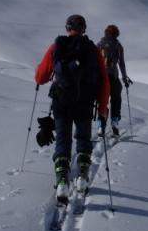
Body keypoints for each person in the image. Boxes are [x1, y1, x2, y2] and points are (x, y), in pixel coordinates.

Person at [34, 14, 110, 202]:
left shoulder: (57, 46)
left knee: (63, 140)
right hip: (85, 101)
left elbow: (40, 77)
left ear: (68, 28)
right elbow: (104, 80)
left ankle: (62, 182)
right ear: (84, 29)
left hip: (61, 99)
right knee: (83, 139)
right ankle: (82, 178)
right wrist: (103, 107)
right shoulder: (93, 49)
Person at [96, 24, 132, 137]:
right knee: (116, 99)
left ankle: (101, 125)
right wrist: (125, 77)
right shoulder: (118, 46)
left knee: (103, 100)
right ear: (116, 34)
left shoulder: (99, 44)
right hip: (113, 76)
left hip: (101, 77)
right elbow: (121, 64)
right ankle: (114, 123)